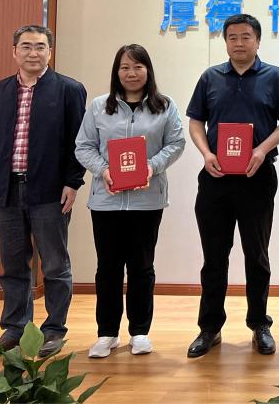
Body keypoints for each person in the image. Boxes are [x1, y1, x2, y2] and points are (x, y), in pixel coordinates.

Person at [185, 13, 279, 357]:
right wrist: (206, 153)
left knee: (257, 255)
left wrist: (262, 149)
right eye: (232, 37)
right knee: (214, 257)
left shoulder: (274, 76)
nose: (239, 42)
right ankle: (210, 328)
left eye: (246, 36)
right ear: (225, 42)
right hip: (216, 178)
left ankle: (259, 324)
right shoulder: (210, 77)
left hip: (257, 177)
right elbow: (195, 121)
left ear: (258, 41)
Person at [0, 25, 87, 357]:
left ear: (49, 52)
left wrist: (73, 182)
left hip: (50, 192)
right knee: (13, 264)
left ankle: (54, 330)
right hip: (5, 191)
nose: (33, 53)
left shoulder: (69, 90)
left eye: (40, 47)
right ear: (14, 51)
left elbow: (79, 142)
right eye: (26, 46)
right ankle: (16, 327)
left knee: (54, 264)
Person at [74, 44, 186, 358]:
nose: (131, 73)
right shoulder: (99, 106)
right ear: (117, 72)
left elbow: (176, 143)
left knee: (141, 267)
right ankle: (107, 333)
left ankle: (139, 332)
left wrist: (151, 166)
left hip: (146, 201)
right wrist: (103, 170)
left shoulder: (164, 106)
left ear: (148, 70)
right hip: (106, 201)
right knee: (108, 268)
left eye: (138, 67)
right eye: (125, 67)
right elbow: (83, 146)